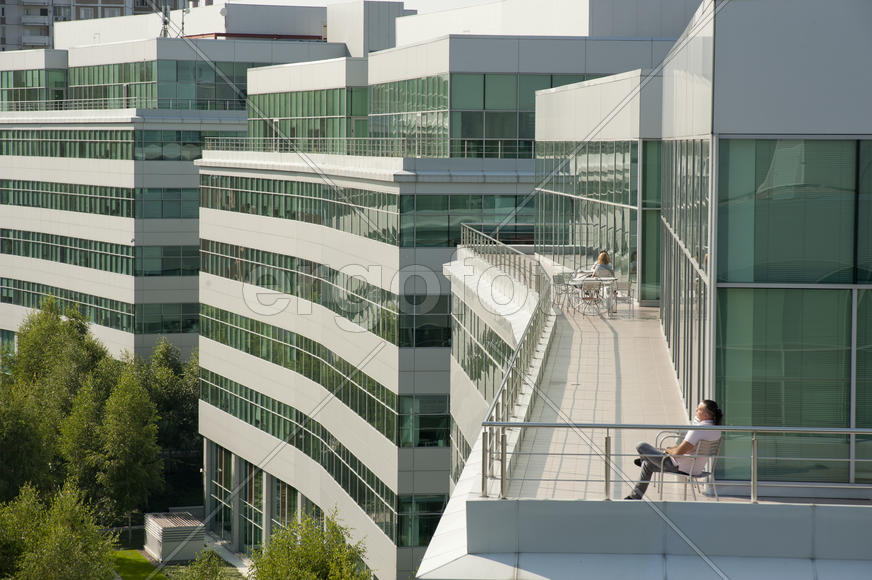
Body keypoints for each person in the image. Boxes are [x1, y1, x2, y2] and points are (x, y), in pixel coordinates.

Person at [625, 400, 723, 500]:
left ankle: (644, 459)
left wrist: (668, 451)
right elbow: (686, 448)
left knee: (641, 445)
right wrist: (670, 449)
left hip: (679, 467)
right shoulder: (716, 430)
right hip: (696, 468)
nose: (696, 410)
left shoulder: (698, 429)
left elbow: (678, 453)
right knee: (648, 464)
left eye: (699, 409)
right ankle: (635, 496)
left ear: (706, 415)